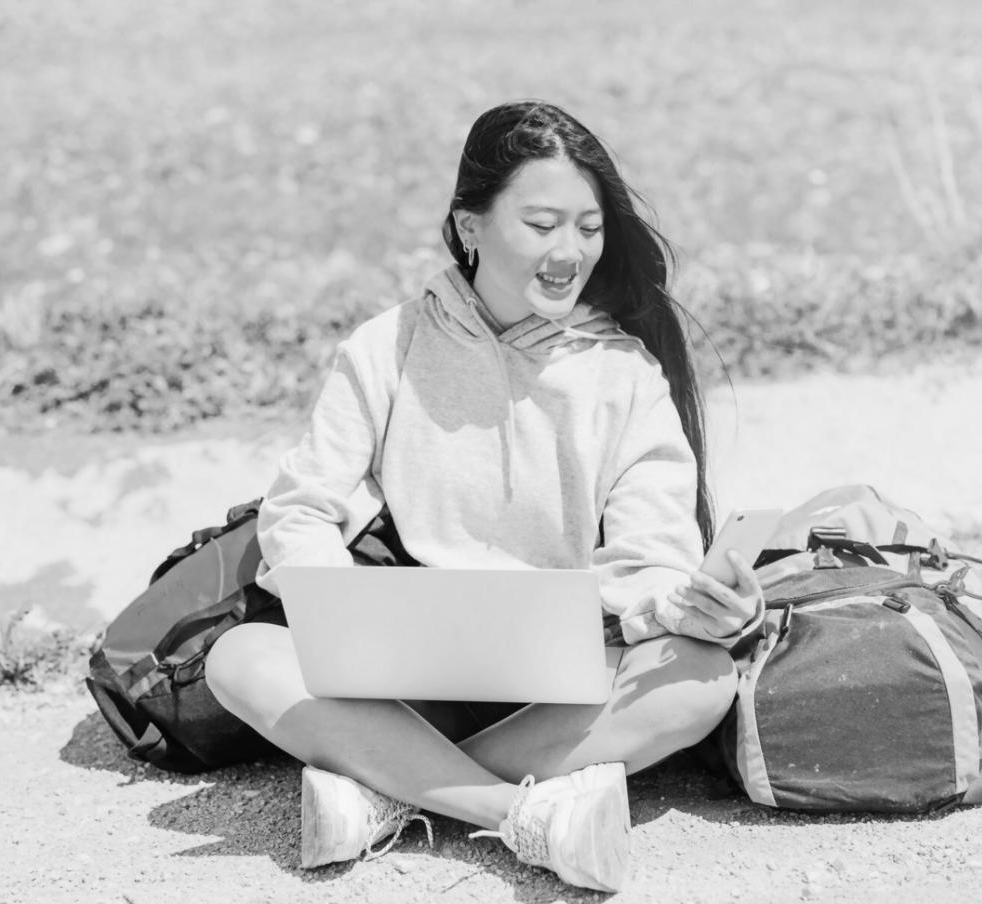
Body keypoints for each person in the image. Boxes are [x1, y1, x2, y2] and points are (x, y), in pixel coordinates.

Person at [206, 100, 765, 893]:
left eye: (588, 227)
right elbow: (301, 508)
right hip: (405, 682)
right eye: (541, 225)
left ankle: (385, 788)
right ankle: (519, 814)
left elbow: (651, 556)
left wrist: (688, 609)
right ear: (470, 226)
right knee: (239, 658)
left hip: (562, 689)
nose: (569, 252)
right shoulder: (385, 346)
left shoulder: (626, 376)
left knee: (700, 678)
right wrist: (338, 612)